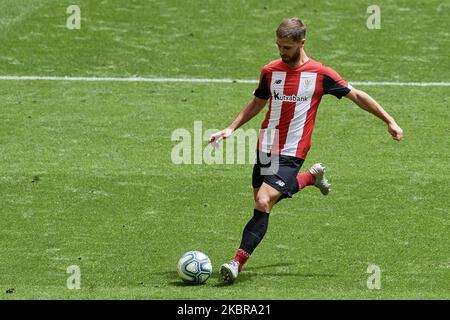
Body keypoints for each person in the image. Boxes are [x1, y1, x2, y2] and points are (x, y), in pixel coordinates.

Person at [208, 17, 403, 284]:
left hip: (293, 150)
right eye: (278, 46)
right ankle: (311, 177)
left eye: (287, 48)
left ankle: (236, 263)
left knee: (263, 201)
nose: (281, 52)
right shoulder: (270, 71)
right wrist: (230, 128)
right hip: (266, 146)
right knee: (263, 201)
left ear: (302, 42)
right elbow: (257, 102)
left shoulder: (320, 74)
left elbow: (357, 96)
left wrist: (389, 120)